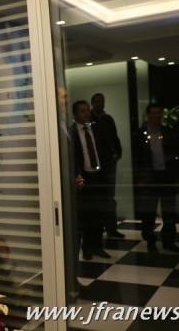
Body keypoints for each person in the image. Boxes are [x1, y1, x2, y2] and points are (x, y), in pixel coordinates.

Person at [133, 103, 179, 253]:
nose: (157, 115)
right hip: (149, 177)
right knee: (149, 213)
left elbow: (174, 153)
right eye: (153, 113)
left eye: (159, 112)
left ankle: (169, 241)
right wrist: (139, 178)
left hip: (166, 176)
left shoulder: (168, 132)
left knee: (169, 211)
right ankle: (150, 241)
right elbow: (137, 158)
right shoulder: (140, 134)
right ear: (148, 115)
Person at [71, 100, 110, 260]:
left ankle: (97, 246)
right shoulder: (71, 132)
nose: (86, 113)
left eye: (87, 110)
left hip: (99, 176)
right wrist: (76, 175)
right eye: (82, 111)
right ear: (75, 114)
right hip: (84, 177)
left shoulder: (96, 128)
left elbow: (104, 150)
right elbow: (72, 157)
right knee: (86, 216)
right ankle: (87, 248)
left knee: (99, 213)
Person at [90, 93, 124, 238]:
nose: (100, 104)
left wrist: (118, 153)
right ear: (92, 103)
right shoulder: (89, 120)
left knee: (109, 197)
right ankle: (96, 231)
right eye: (97, 101)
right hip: (94, 166)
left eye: (102, 101)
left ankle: (111, 228)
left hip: (109, 164)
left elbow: (115, 138)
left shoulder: (108, 119)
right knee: (96, 198)